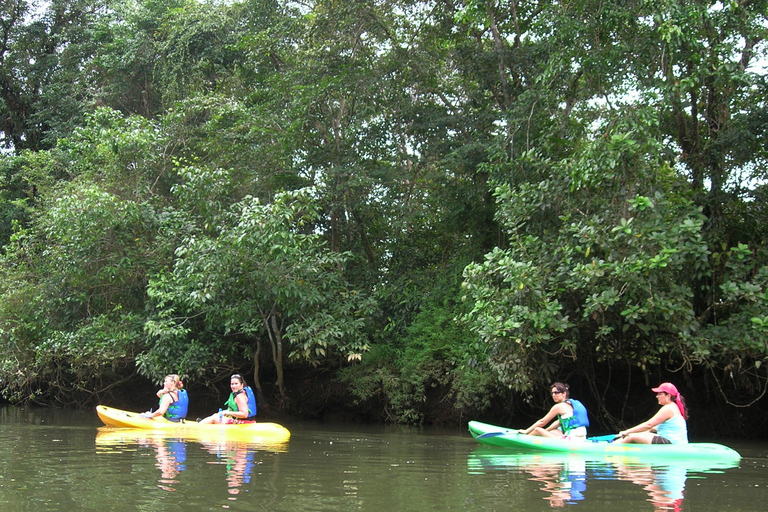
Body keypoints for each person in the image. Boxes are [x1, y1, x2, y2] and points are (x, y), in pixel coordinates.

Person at [614, 382, 688, 444]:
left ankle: (609, 447)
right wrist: (644, 431)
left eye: (660, 394)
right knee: (637, 434)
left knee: (631, 436)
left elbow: (648, 425)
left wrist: (627, 432)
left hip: (671, 443)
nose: (657, 396)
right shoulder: (674, 407)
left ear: (668, 395)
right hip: (676, 442)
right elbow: (654, 428)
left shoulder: (668, 408)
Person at [518, 382, 590, 440]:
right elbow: (558, 422)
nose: (553, 395)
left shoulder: (558, 407)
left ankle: (523, 440)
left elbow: (542, 422)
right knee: (553, 431)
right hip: (582, 438)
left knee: (537, 430)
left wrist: (526, 431)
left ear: (564, 393)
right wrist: (546, 431)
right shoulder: (573, 404)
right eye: (552, 393)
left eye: (556, 392)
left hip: (572, 439)